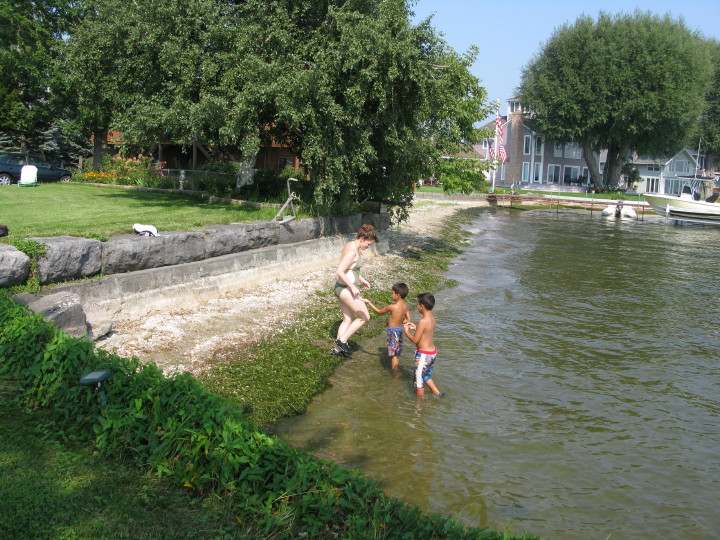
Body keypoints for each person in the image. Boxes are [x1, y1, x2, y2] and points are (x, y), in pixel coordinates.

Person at [331, 224, 378, 357]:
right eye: (368, 244)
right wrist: (352, 286)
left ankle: (337, 351)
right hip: (346, 289)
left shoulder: (352, 245)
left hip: (342, 288)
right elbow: (339, 271)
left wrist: (361, 279)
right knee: (365, 316)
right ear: (362, 238)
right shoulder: (352, 251)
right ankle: (342, 341)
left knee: (348, 319)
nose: (368, 247)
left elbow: (350, 268)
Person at [363, 282, 411, 372]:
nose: (391, 295)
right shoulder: (405, 306)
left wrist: (369, 303)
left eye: (392, 293)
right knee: (395, 354)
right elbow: (408, 319)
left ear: (398, 295)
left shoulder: (392, 307)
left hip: (392, 332)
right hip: (399, 331)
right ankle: (394, 371)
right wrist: (397, 321)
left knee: (393, 355)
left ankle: (394, 375)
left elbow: (378, 312)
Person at [403, 293, 443, 397]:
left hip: (423, 355)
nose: (416, 306)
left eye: (417, 304)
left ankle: (419, 407)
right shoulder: (432, 318)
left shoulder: (422, 321)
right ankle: (437, 393)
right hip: (432, 352)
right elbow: (427, 332)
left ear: (422, 306)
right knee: (426, 375)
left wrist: (406, 331)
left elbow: (415, 340)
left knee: (418, 380)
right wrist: (416, 327)